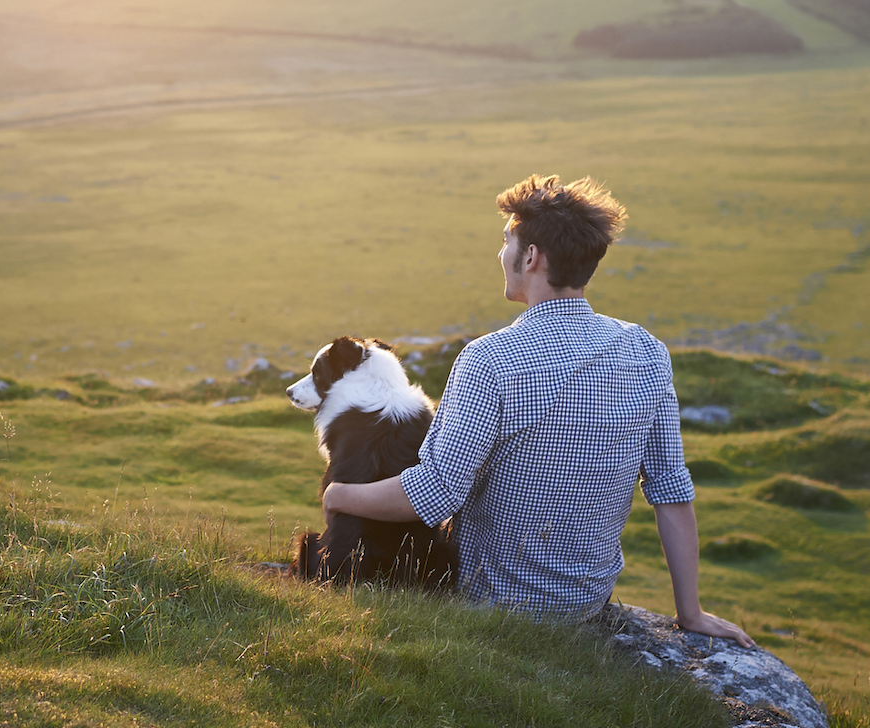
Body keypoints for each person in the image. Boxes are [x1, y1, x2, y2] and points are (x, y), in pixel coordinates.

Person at [322, 174, 755, 645]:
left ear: (530, 257)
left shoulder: (490, 359)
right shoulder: (646, 351)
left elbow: (435, 494)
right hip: (585, 603)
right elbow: (670, 489)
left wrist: (338, 495)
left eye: (507, 240)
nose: (501, 254)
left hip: (490, 601)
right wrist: (689, 612)